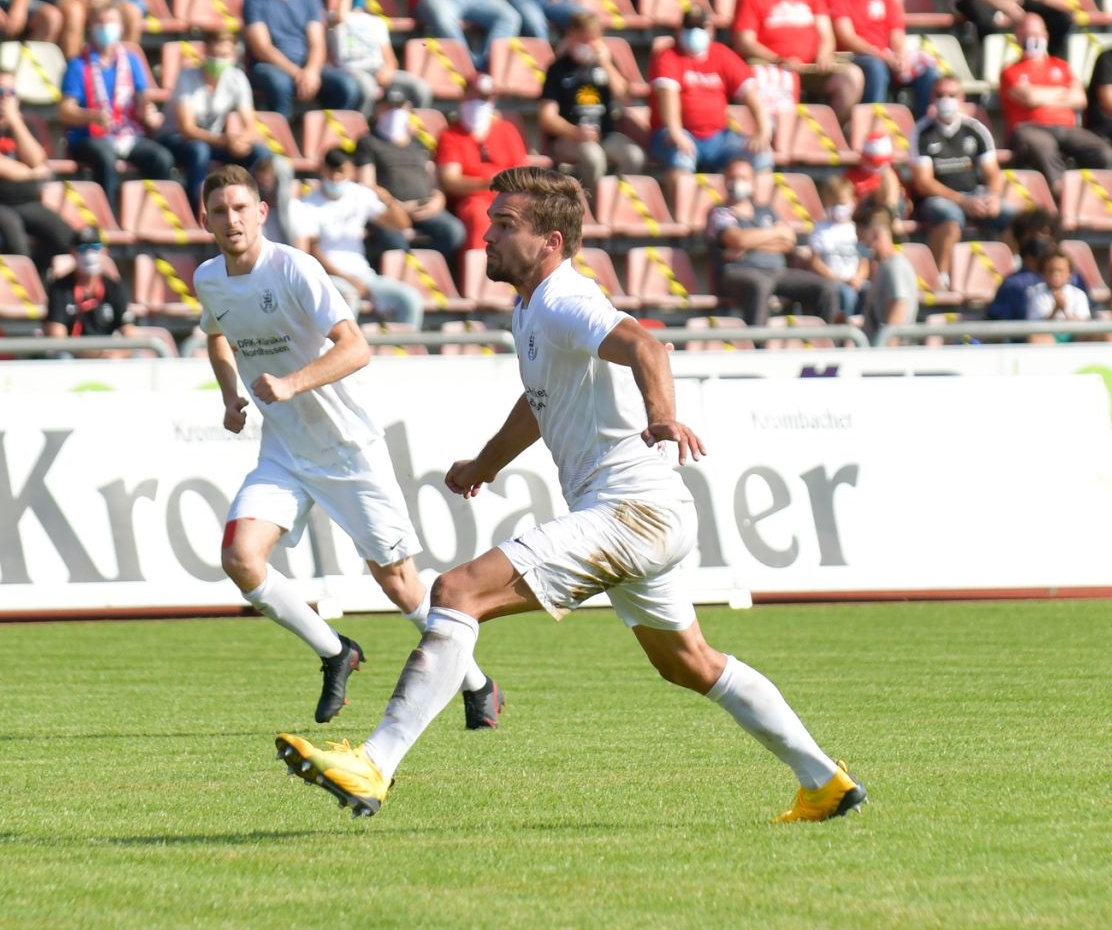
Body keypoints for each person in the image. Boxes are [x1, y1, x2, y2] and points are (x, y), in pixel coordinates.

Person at [275, 166, 862, 826]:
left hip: (629, 511)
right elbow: (539, 399)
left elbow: (646, 343)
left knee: (457, 592)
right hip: (648, 515)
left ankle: (373, 764)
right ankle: (823, 781)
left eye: (504, 226)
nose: (486, 237)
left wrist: (662, 413)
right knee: (690, 663)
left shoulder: (562, 299)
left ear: (550, 241)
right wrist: (485, 463)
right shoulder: (533, 306)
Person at [196, 164, 494, 727]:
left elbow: (356, 349)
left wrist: (289, 383)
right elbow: (216, 334)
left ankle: (479, 685)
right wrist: (231, 396)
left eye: (241, 208)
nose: (231, 220)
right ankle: (337, 651)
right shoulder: (210, 277)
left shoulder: (295, 268)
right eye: (219, 211)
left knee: (399, 583)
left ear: (262, 212)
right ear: (204, 219)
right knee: (240, 558)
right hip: (284, 452)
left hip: (348, 449)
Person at [731, 0, 860, 123]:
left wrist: (824, 54)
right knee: (757, 76)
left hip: (812, 67)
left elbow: (826, 33)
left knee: (852, 76)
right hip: (772, 65)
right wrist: (778, 59)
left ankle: (830, 131)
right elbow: (744, 41)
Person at [58, 1, 171, 207]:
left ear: (120, 26)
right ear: (91, 26)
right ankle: (106, 214)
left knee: (161, 158)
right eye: (100, 22)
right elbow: (65, 111)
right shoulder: (78, 65)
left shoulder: (131, 60)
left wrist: (147, 111)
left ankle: (154, 212)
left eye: (111, 21)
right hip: (88, 136)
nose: (105, 27)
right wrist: (92, 116)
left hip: (127, 134)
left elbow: (141, 99)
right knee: (105, 156)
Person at [296, 148, 424, 327]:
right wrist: (350, 280)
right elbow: (312, 251)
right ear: (322, 169)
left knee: (409, 299)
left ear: (351, 171)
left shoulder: (360, 195)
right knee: (348, 298)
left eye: (341, 171)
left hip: (364, 275)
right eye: (331, 170)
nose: (335, 177)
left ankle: (404, 352)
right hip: (329, 278)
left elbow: (402, 224)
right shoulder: (306, 204)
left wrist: (388, 200)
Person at [707, 157, 842, 325]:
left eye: (743, 178)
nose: (737, 183)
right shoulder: (719, 213)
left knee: (825, 288)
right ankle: (758, 346)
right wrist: (775, 232)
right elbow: (737, 239)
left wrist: (749, 245)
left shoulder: (765, 210)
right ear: (725, 180)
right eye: (733, 177)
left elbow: (788, 241)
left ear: (753, 182)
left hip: (777, 272)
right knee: (760, 285)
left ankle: (829, 342)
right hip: (737, 272)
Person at [648, 8, 774, 184]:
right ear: (680, 30)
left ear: (711, 30)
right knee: (680, 156)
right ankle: (681, 210)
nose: (695, 32)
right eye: (690, 27)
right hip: (678, 133)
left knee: (762, 155)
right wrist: (676, 132)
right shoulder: (668, 56)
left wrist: (763, 130)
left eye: (701, 27)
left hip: (718, 136)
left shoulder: (721, 54)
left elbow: (750, 93)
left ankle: (757, 209)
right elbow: (667, 96)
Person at [243, 0, 363, 115]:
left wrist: (312, 71)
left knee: (347, 86)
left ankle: (332, 139)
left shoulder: (309, 0)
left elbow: (317, 42)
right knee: (279, 84)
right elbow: (262, 48)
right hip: (270, 67)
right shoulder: (255, 1)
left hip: (304, 65)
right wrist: (297, 73)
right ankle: (279, 137)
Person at [0, 70, 75, 262]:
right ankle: (25, 283)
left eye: (11, 93)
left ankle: (37, 280)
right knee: (17, 247)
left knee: (66, 238)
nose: (5, 98)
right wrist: (32, 175)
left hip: (28, 201)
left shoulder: (23, 126)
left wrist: (15, 120)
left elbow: (36, 159)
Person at [998, 14, 1112, 192]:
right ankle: (1063, 200)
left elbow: (1080, 99)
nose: (1032, 39)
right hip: (1030, 128)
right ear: (1017, 37)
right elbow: (1029, 98)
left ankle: (1100, 199)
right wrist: (1063, 93)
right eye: (1026, 34)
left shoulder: (1061, 66)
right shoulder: (1010, 71)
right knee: (1044, 150)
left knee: (1102, 151)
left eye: (1036, 34)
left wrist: (1039, 93)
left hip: (1068, 129)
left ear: (1045, 36)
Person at [539, 12, 646, 199]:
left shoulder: (604, 66)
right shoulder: (558, 69)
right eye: (583, 40)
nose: (588, 46)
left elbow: (626, 99)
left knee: (634, 156)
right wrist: (575, 132)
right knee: (594, 158)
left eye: (592, 40)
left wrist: (606, 64)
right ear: (571, 36)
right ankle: (589, 207)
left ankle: (617, 204)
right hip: (569, 137)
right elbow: (547, 117)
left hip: (604, 135)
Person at [910, 75, 1006, 277]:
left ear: (962, 98)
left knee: (1013, 216)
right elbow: (923, 182)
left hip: (975, 194)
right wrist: (962, 201)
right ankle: (940, 277)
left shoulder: (976, 130)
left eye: (951, 95)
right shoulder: (922, 132)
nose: (946, 100)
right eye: (940, 95)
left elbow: (993, 172)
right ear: (932, 98)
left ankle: (1011, 270)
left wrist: (994, 196)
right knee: (951, 218)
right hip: (938, 199)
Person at [164, 29, 270, 203]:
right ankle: (197, 206)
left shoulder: (237, 78)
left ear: (234, 56)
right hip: (176, 139)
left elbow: (250, 123)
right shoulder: (186, 78)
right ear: (204, 52)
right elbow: (187, 129)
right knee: (199, 151)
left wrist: (242, 140)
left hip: (214, 140)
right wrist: (225, 141)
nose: (218, 60)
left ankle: (252, 204)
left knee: (260, 152)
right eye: (213, 54)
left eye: (224, 55)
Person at [825, 0, 929, 112]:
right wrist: (882, 56)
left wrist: (900, 56)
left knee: (928, 71)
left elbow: (896, 33)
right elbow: (847, 37)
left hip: (885, 55)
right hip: (854, 55)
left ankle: (923, 129)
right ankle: (872, 125)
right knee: (875, 67)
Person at [359, 87, 464, 256]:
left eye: (399, 107)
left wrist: (438, 201)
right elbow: (367, 184)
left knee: (453, 232)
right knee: (395, 242)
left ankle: (425, 272)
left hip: (424, 210)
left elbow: (435, 182)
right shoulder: (368, 142)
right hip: (389, 211)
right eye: (389, 106)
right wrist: (396, 206)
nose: (394, 112)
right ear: (378, 109)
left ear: (408, 110)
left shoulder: (419, 143)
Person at [435, 76, 529, 249]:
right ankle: (481, 273)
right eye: (473, 96)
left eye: (484, 98)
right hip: (473, 201)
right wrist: (487, 184)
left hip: (510, 198)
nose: (477, 103)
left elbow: (522, 173)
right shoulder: (450, 135)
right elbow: (450, 180)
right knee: (479, 216)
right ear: (463, 97)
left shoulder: (506, 130)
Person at [327, 0, 430, 114]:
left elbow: (390, 59)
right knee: (368, 88)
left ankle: (416, 131)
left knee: (420, 88)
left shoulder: (376, 22)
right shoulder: (333, 17)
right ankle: (360, 130)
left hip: (376, 68)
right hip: (349, 69)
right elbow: (341, 17)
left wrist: (388, 70)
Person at [43, 226, 136, 355]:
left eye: (95, 247)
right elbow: (57, 337)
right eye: (82, 249)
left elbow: (129, 333)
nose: (89, 254)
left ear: (104, 251)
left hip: (107, 354)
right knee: (62, 357)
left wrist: (118, 354)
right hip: (74, 355)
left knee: (138, 355)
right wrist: (92, 354)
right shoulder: (59, 288)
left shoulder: (114, 287)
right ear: (72, 252)